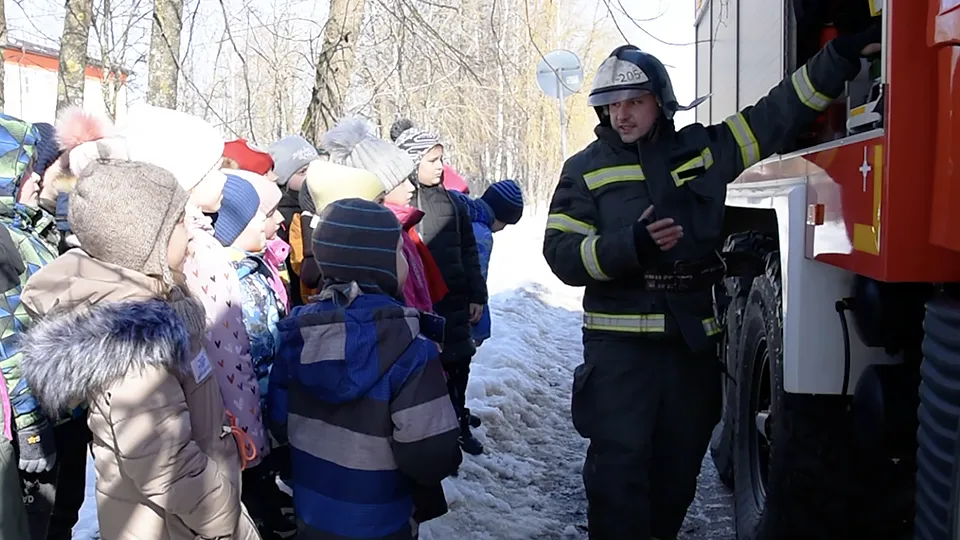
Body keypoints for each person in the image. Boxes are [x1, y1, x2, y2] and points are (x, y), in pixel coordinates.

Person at [542, 28, 882, 539]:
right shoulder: (585, 171)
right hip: (620, 356)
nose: (622, 115)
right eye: (612, 105)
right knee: (618, 479)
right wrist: (631, 245)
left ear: (661, 102)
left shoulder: (701, 151)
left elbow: (776, 115)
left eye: (635, 101)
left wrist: (837, 57)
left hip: (690, 350)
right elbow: (561, 253)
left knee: (676, 477)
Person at [19, 160, 259, 540]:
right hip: (176, 526)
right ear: (149, 240)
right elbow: (167, 465)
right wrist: (231, 523)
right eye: (181, 221)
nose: (193, 233)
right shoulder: (134, 348)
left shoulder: (163, 303)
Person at [269, 198, 461, 540]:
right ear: (381, 266)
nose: (406, 260)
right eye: (400, 252)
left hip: (314, 515)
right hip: (383, 521)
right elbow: (430, 454)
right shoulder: (410, 346)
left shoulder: (297, 336)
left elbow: (280, 422)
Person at [395, 128, 487, 456]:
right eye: (431, 160)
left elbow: (468, 251)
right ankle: (438, 429)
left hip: (456, 301)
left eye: (441, 159)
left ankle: (459, 421)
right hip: (424, 306)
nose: (439, 166)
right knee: (434, 372)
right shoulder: (405, 201)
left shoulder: (453, 201)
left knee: (460, 362)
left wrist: (478, 294)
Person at [213, 175, 295, 539]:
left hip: (268, 401)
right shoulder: (231, 281)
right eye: (264, 215)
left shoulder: (255, 266)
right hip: (250, 410)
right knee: (253, 482)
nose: (276, 222)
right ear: (233, 227)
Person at [323, 116, 447, 313]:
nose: (411, 187)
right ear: (379, 190)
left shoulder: (403, 228)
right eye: (401, 181)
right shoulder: (382, 237)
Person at [449, 179, 524, 347]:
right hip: (461, 299)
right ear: (501, 216)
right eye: (505, 223)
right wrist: (478, 302)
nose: (503, 228)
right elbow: (478, 272)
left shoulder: (464, 210)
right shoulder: (482, 233)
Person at [269, 135, 319, 307]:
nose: (311, 175)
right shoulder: (278, 216)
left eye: (315, 167)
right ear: (283, 179)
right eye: (302, 172)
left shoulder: (322, 204)